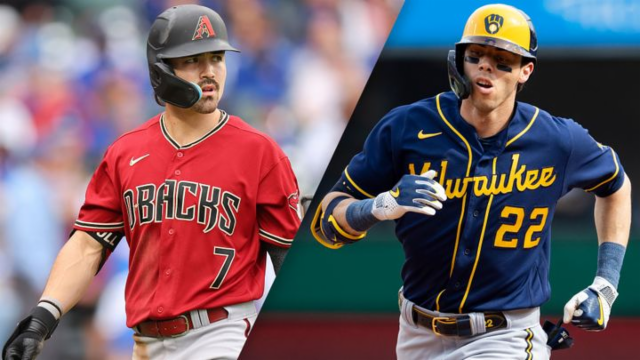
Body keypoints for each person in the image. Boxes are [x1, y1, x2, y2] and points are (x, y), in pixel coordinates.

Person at [311, 4, 631, 359]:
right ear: (458, 60)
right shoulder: (406, 126)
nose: (486, 66)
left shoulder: (556, 139)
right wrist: (378, 207)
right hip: (417, 333)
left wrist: (606, 285)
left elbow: (616, 185)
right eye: (475, 54)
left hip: (505, 334)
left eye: (502, 58)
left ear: (525, 70)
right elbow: (326, 222)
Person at [2, 5, 301, 360]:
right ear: (162, 70)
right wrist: (43, 317)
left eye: (217, 58)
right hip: (144, 345)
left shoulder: (259, 152)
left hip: (222, 335)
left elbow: (289, 260)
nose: (210, 72)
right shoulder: (126, 151)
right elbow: (89, 244)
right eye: (193, 60)